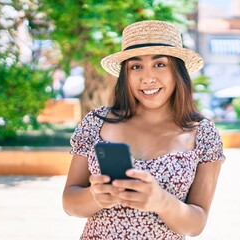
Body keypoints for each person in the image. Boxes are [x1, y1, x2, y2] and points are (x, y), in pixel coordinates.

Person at [63, 20, 225, 239]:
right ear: (125, 75)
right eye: (136, 66)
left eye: (160, 64)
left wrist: (162, 202)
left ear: (177, 71)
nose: (147, 78)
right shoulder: (97, 122)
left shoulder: (203, 134)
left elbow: (196, 224)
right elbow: (69, 203)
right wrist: (96, 196)